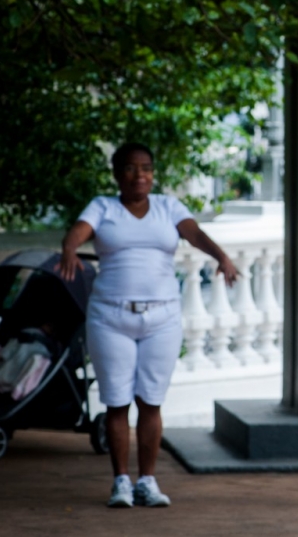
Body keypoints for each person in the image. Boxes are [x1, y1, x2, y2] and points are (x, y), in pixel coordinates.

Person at [57, 143, 238, 508]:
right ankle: (121, 482)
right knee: (117, 402)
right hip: (110, 317)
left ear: (153, 173)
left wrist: (222, 256)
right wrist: (69, 250)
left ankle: (148, 482)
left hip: (162, 318)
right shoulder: (103, 207)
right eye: (130, 168)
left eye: (146, 168)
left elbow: (195, 234)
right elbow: (77, 232)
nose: (139, 175)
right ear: (116, 174)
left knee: (151, 401)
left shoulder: (168, 207)